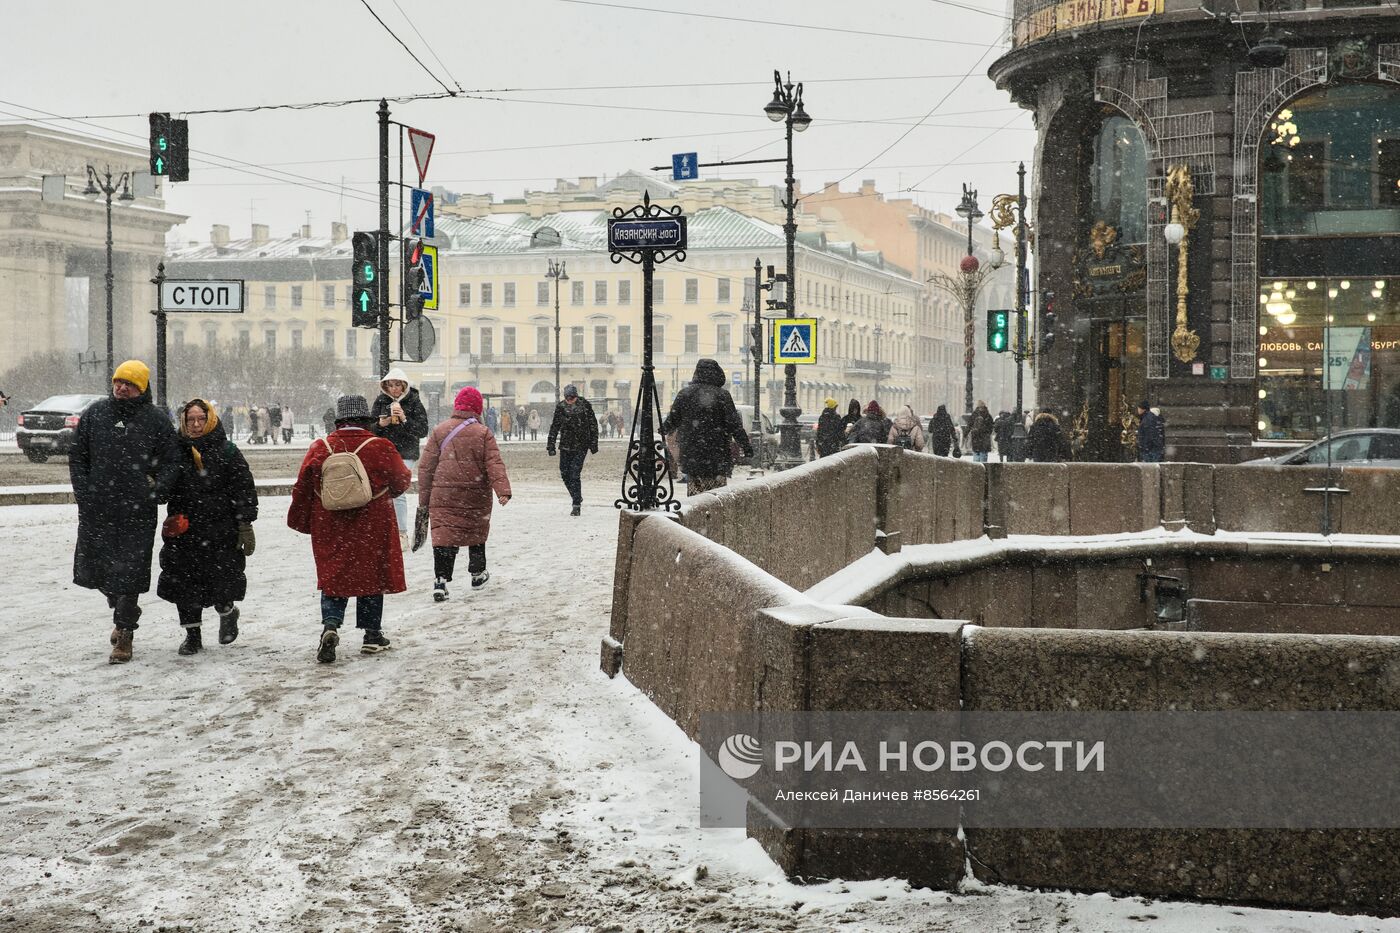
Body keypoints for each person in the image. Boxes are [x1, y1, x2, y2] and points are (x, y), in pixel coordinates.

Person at [70, 360, 181, 664]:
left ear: (142, 387)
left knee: (130, 571)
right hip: (98, 509)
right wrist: (84, 492)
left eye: (129, 383)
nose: (121, 387)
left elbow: (173, 462)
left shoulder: (156, 421)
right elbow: (78, 457)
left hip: (137, 512)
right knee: (103, 571)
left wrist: (156, 491)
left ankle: (125, 631)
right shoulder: (95, 414)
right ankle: (119, 603)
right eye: (118, 381)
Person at [288, 394, 412, 664]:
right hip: (373, 522)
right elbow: (402, 481)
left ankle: (331, 625)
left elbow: (303, 488)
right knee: (372, 574)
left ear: (339, 421)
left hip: (330, 522)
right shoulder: (380, 446)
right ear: (364, 420)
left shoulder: (320, 447)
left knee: (335, 575)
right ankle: (371, 635)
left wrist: (304, 520)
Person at [157, 399, 258, 655]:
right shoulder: (175, 452)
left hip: (221, 531)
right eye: (190, 419)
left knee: (221, 581)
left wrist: (245, 524)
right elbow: (162, 489)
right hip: (184, 532)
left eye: (201, 418)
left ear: (210, 419)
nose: (195, 424)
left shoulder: (227, 451)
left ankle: (227, 612)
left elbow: (243, 488)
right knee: (185, 585)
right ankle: (193, 635)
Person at [418, 387, 512, 602]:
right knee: (476, 531)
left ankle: (440, 581)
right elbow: (494, 463)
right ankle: (477, 574)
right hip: (474, 493)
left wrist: (425, 499)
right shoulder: (483, 433)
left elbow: (425, 468)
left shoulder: (440, 430)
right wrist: (502, 490)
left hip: (443, 495)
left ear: (456, 406)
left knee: (444, 536)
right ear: (478, 409)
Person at [660, 358, 753, 496]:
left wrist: (663, 429)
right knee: (716, 496)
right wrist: (746, 446)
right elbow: (735, 425)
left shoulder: (685, 394)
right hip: (717, 455)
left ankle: (697, 515)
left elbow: (672, 421)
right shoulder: (723, 395)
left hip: (692, 455)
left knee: (696, 496)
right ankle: (714, 514)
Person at [371, 368, 430, 547]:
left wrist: (404, 419)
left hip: (406, 452)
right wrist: (381, 424)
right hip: (384, 452)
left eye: (397, 385)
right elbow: (370, 429)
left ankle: (401, 534)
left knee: (398, 491)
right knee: (381, 493)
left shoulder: (414, 401)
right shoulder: (381, 401)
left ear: (404, 385)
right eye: (390, 385)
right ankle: (385, 531)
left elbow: (422, 430)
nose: (394, 389)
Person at [546, 384, 598, 516]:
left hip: (581, 445)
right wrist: (550, 445)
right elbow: (555, 426)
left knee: (574, 474)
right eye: (568, 398)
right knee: (564, 473)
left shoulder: (585, 405)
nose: (570, 400)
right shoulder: (561, 407)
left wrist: (593, 442)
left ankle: (576, 505)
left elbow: (593, 424)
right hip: (565, 445)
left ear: (576, 396)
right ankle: (576, 495)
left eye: (572, 398)